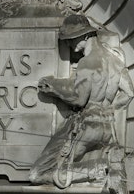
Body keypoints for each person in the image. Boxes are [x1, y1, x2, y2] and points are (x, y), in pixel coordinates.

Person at [29, 15, 134, 193]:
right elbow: (129, 93)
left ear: (85, 36)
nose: (69, 44)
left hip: (86, 127)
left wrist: (54, 87)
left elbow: (79, 98)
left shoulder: (87, 62)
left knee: (38, 173)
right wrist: (109, 110)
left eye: (71, 39)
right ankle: (105, 161)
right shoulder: (116, 61)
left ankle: (101, 166)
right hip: (107, 129)